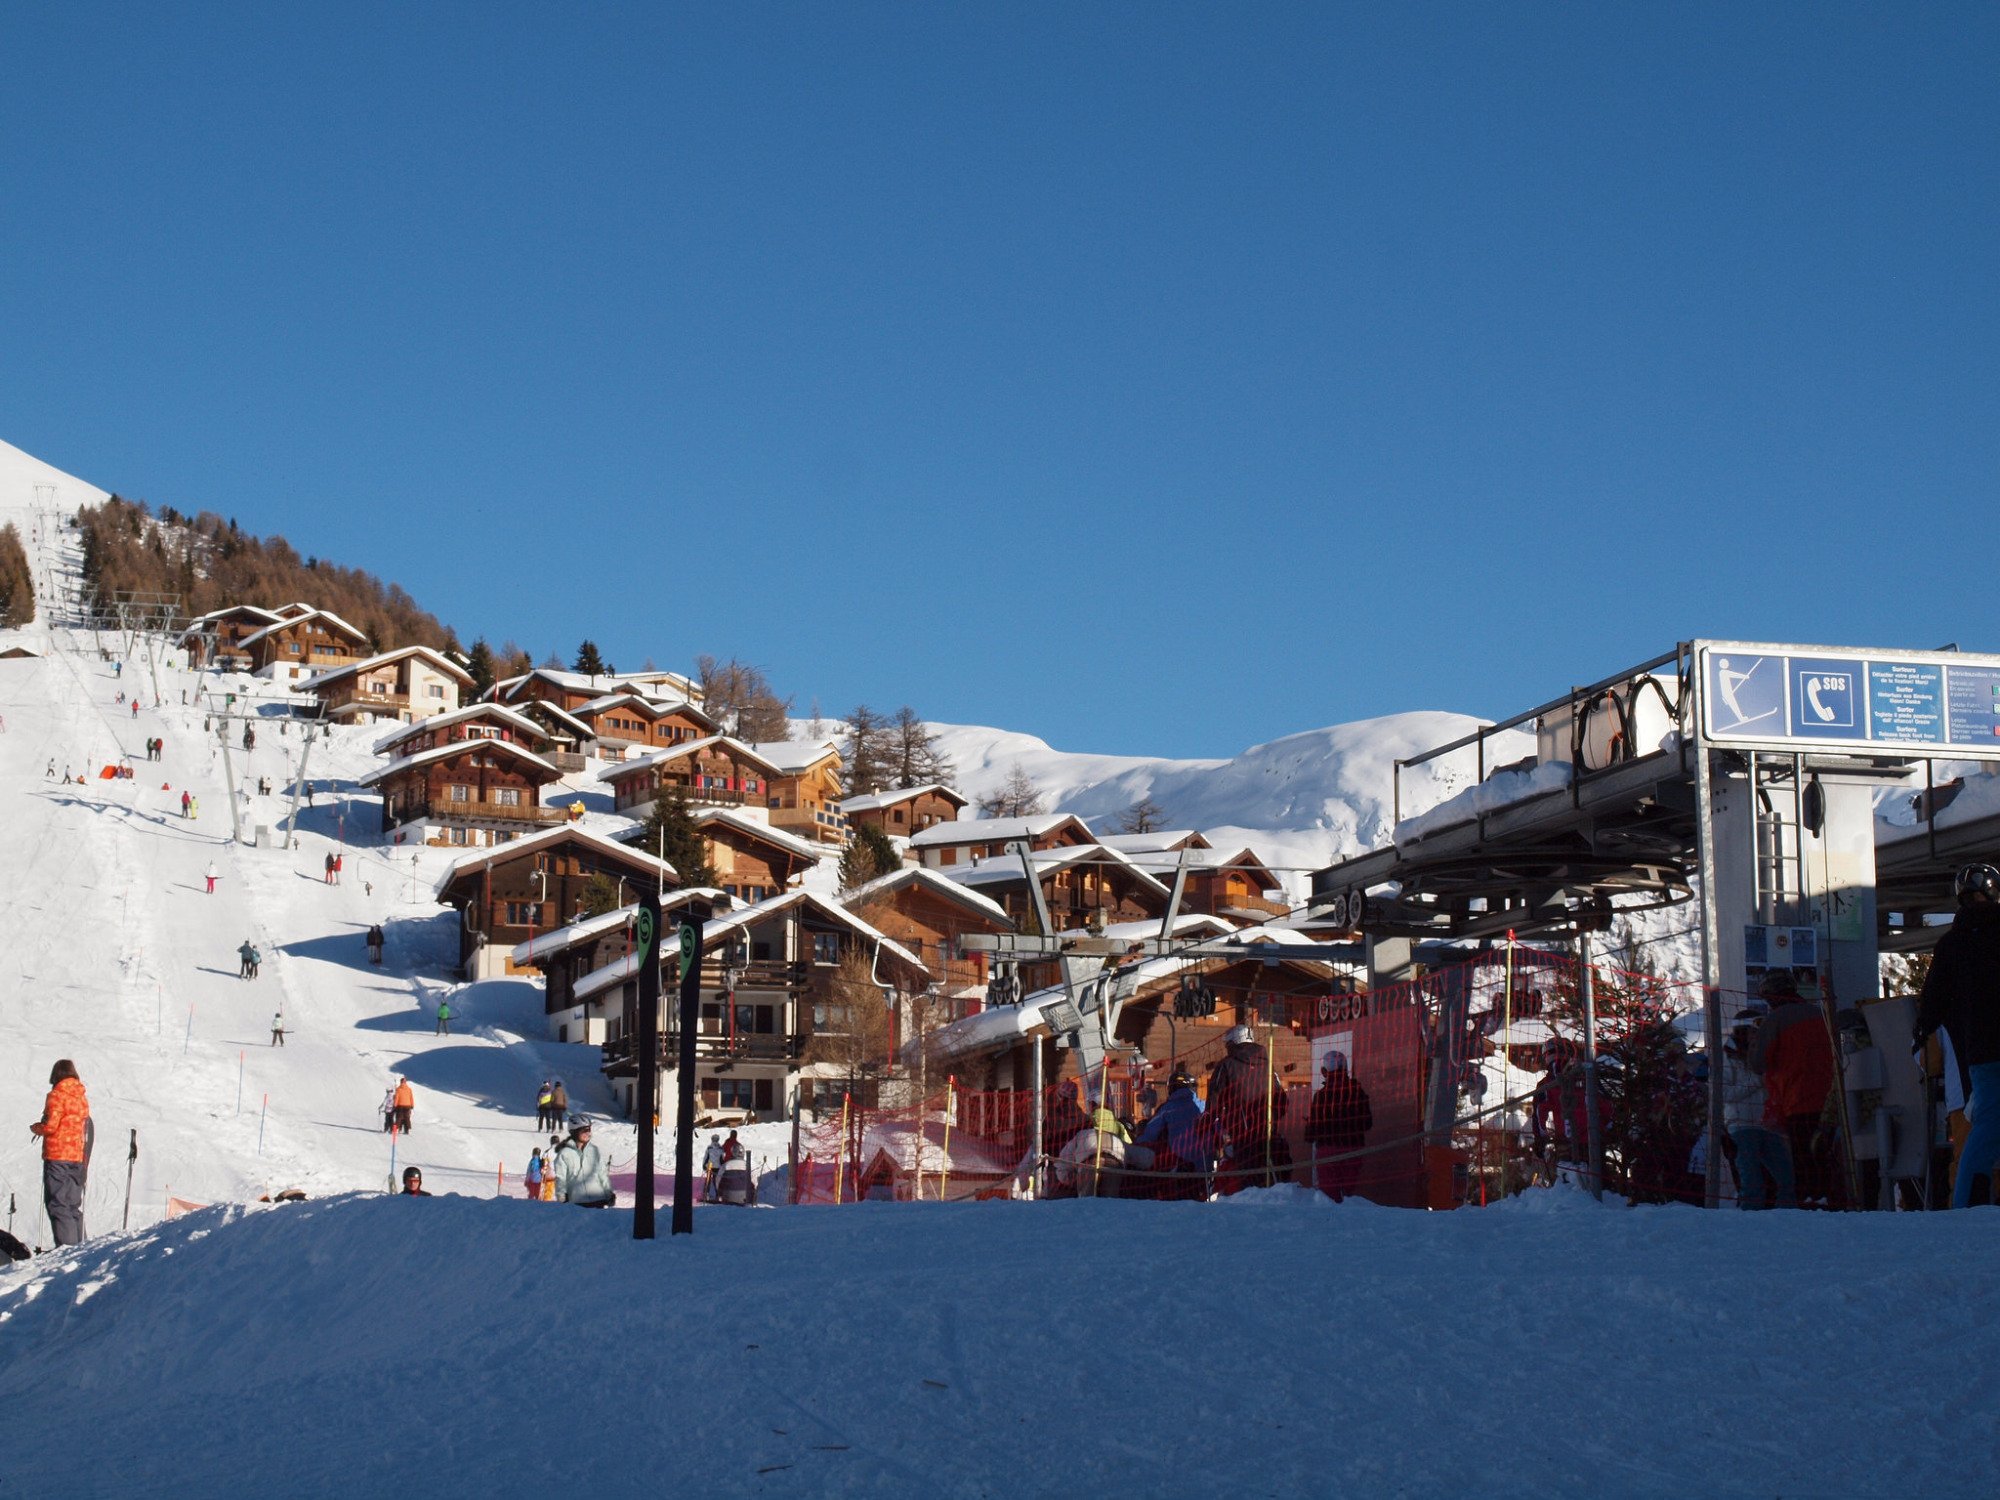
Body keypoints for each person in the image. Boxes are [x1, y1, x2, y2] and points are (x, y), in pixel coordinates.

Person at [1915, 863, 2000, 1209]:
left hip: (1981, 1051)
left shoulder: (1951, 944)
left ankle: (1966, 1204)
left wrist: (1921, 1030)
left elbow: (1933, 1000)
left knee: (1984, 1130)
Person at [1749, 970, 1836, 1206]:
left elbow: (1758, 1063)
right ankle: (1829, 1202)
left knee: (1802, 1161)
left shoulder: (1775, 1020)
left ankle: (1808, 1205)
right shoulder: (1820, 1015)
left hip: (1796, 1101)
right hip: (1830, 1102)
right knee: (1825, 1159)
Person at [1721, 1001, 1792, 1209]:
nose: (1757, 1035)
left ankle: (1789, 1220)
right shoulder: (1727, 1057)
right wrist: (1755, 1081)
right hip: (1741, 1126)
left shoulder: (1766, 1055)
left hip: (1768, 1125)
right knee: (1752, 1181)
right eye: (1754, 1031)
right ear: (1743, 1031)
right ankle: (1750, 1222)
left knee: (1787, 1177)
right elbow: (1724, 1094)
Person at [1208, 1024, 1289, 1190]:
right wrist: (1273, 1118)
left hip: (1241, 1134)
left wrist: (1211, 1121)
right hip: (1268, 1134)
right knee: (1270, 1180)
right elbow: (1282, 1099)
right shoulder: (1268, 1064)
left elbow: (1214, 1099)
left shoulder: (1226, 1065)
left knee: (1247, 1181)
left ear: (1233, 1043)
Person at [30, 1059, 91, 1246]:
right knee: (73, 1205)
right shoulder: (81, 1097)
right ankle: (80, 1248)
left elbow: (51, 1126)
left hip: (58, 1156)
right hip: (77, 1157)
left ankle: (66, 1249)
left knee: (58, 1204)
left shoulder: (57, 1095)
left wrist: (37, 1128)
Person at [1304, 1051, 1374, 1202]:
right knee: (1349, 1196)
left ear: (1324, 1072)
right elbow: (1367, 1123)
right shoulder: (1358, 1092)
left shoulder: (1321, 1097)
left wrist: (1309, 1129)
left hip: (1327, 1153)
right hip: (1353, 1149)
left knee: (1329, 1198)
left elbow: (1311, 1134)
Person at [1135, 1068, 1211, 1198]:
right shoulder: (1204, 1106)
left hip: (1179, 1166)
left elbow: (1150, 1134)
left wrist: (1136, 1144)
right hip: (1205, 1165)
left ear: (1171, 1089)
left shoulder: (1167, 1108)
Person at [552, 1118, 614, 1207]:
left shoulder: (594, 1150)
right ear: (574, 1132)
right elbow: (561, 1178)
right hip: (577, 1202)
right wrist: (562, 1198)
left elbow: (602, 1174)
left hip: (599, 1199)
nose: (588, 1133)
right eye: (584, 1130)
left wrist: (609, 1194)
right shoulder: (564, 1153)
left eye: (589, 1130)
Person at [702, 1134, 725, 1201]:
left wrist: (704, 1165)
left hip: (710, 1165)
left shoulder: (709, 1148)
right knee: (716, 1181)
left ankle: (706, 1193)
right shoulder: (720, 1148)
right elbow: (722, 1159)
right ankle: (717, 1194)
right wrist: (722, 1166)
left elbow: (706, 1157)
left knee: (708, 1180)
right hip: (717, 1167)